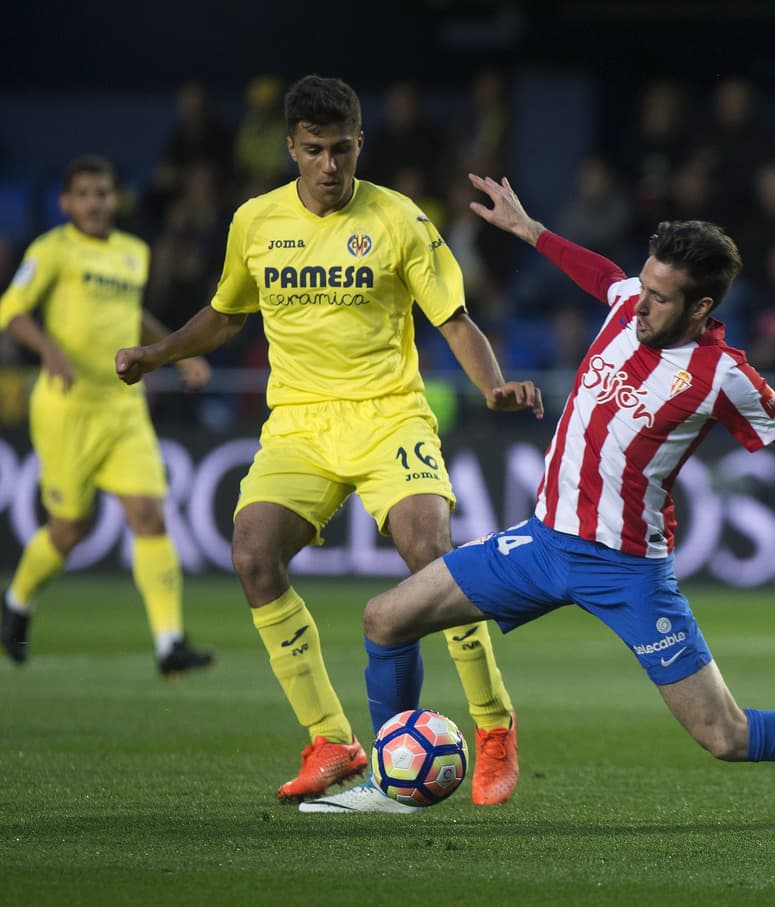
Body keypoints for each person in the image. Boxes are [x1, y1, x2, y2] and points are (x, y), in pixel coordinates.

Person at [297, 173, 775, 819]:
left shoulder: (722, 376)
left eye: (659, 296)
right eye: (643, 285)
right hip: (540, 542)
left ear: (701, 306)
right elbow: (601, 275)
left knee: (724, 733)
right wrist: (532, 230)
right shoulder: (631, 304)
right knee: (385, 618)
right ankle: (392, 777)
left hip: (626, 569)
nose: (638, 301)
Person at [115, 76, 543, 805]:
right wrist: (155, 355)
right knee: (253, 553)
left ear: (359, 144)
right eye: (313, 150)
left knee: (429, 552)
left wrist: (491, 384)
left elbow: (456, 320)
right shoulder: (254, 221)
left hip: (388, 414)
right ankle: (331, 739)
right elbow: (225, 315)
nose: (329, 165)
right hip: (299, 423)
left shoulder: (399, 218)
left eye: (342, 149)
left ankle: (495, 727)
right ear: (291, 147)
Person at [0, 155, 214, 676]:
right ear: (66, 203)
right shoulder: (52, 250)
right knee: (69, 529)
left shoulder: (133, 253)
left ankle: (169, 643)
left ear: (114, 200)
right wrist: (48, 351)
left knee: (149, 513)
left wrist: (172, 351)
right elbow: (11, 308)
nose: (95, 202)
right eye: (85, 194)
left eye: (103, 193)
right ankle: (17, 603)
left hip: (122, 405)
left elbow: (130, 314)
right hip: (67, 409)